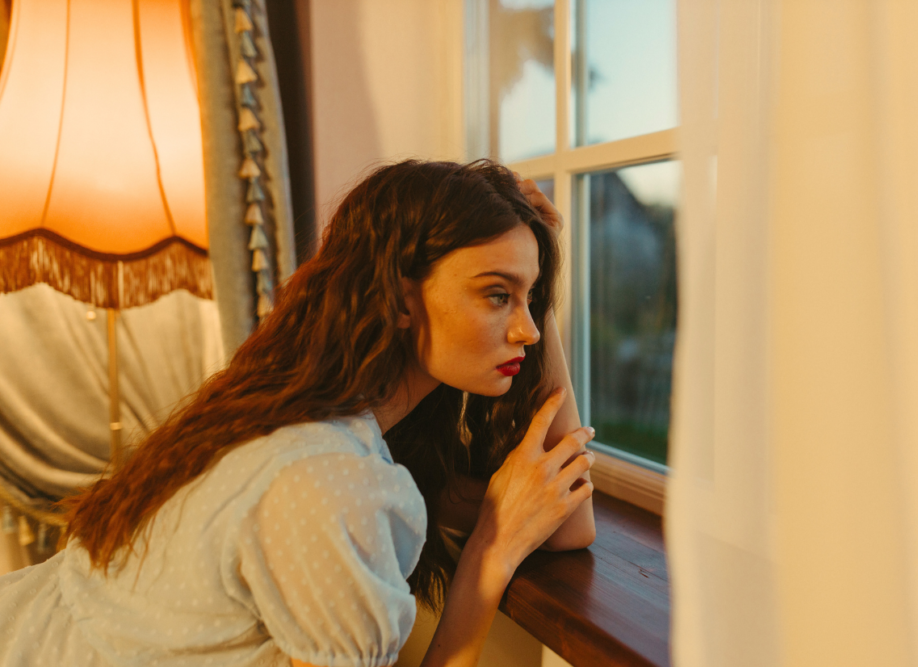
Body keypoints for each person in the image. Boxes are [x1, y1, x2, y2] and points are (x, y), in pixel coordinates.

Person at [0, 159, 596, 667]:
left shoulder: (295, 409)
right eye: (497, 296)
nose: (525, 328)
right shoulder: (330, 481)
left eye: (530, 297)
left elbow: (568, 517)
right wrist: (489, 556)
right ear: (402, 297)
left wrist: (528, 250)